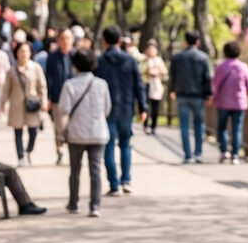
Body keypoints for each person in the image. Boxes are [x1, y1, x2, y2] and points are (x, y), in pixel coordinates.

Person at [58, 47, 111, 217]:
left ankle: (73, 203)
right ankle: (95, 206)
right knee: (96, 170)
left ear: (75, 66)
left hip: (76, 133)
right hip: (98, 133)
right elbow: (107, 109)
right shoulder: (102, 84)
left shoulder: (69, 85)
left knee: (75, 170)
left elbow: (64, 109)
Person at [96, 25, 147, 195]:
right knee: (125, 144)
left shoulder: (100, 61)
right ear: (119, 40)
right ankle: (126, 180)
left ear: (104, 40)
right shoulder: (130, 60)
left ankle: (114, 185)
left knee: (108, 146)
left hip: (106, 109)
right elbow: (139, 85)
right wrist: (143, 107)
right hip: (126, 107)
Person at [0, 40, 48, 166]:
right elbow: (6, 90)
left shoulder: (36, 68)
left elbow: (42, 86)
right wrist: (1, 105)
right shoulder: (12, 71)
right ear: (16, 53)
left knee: (33, 131)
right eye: (21, 51)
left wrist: (44, 101)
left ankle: (29, 151)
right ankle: (20, 157)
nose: (24, 54)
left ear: (30, 53)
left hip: (32, 104)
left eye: (26, 51)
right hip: (16, 106)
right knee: (18, 133)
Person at [168, 30, 212, 163]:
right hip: (198, 95)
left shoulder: (177, 57)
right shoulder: (203, 57)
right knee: (199, 124)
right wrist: (208, 93)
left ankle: (188, 155)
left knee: (184, 126)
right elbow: (207, 77)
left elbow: (172, 76)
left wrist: (172, 90)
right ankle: (198, 153)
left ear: (185, 41)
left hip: (182, 94)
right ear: (198, 41)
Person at [212, 41, 248, 164]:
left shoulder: (221, 67)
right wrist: (245, 96)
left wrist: (214, 97)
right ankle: (235, 154)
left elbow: (216, 85)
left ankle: (224, 151)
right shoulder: (243, 67)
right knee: (237, 129)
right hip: (239, 102)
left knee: (222, 127)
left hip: (223, 102)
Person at [44, 28, 75, 165]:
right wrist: (48, 97)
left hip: (76, 99)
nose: (65, 41)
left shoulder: (76, 56)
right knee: (59, 127)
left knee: (73, 126)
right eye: (62, 38)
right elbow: (49, 77)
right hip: (58, 97)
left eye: (68, 38)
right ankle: (60, 151)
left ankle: (73, 151)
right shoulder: (52, 57)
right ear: (58, 40)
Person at [141, 40, 167, 135]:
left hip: (156, 86)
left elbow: (164, 71)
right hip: (145, 85)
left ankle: (153, 126)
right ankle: (145, 125)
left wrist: (155, 71)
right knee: (145, 106)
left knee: (155, 107)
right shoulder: (144, 59)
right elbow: (144, 71)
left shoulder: (159, 60)